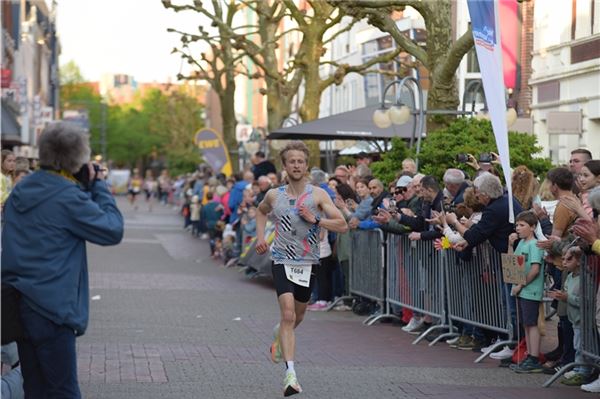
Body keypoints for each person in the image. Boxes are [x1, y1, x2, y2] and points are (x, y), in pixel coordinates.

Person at [1, 122, 124, 398]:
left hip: (18, 303)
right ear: (75, 159)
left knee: (34, 387)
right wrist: (98, 186)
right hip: (52, 307)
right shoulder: (68, 197)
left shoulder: (22, 189)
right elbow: (112, 229)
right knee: (63, 389)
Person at [255, 140, 347, 397]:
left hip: (308, 263)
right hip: (282, 260)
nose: (296, 165)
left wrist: (316, 219)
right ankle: (291, 375)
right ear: (284, 166)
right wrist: (261, 238)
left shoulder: (318, 194)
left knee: (298, 316)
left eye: (300, 161)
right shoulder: (275, 195)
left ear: (306, 165)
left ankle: (279, 337)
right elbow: (260, 212)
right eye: (291, 161)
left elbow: (342, 225)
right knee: (287, 315)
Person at [507, 211, 545, 373]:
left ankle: (534, 357)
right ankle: (529, 354)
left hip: (530, 290)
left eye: (522, 225)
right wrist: (510, 244)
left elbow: (535, 270)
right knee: (526, 324)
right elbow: (511, 264)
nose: (518, 228)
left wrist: (520, 285)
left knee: (531, 323)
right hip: (521, 290)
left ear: (533, 227)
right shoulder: (521, 243)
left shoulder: (534, 245)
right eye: (517, 225)